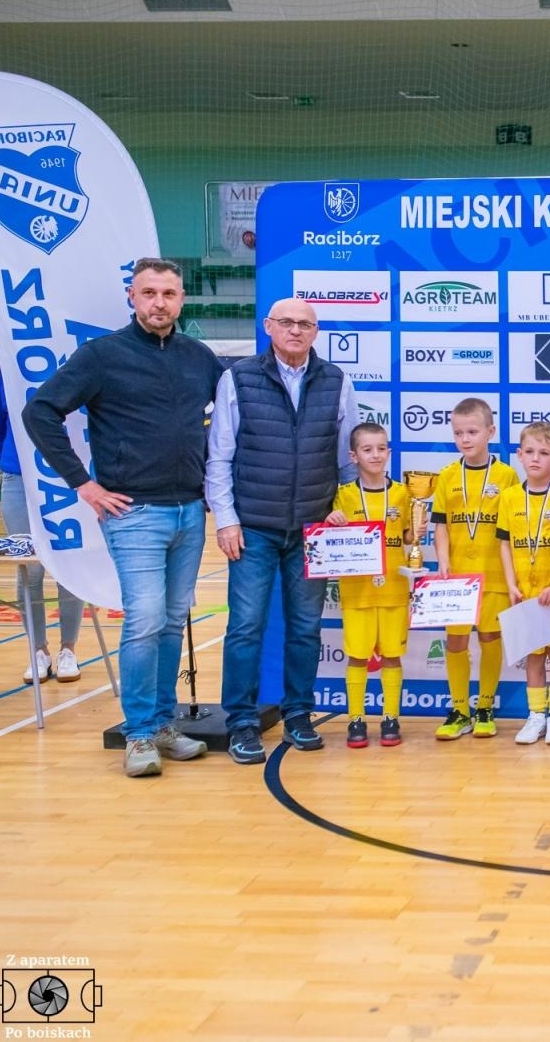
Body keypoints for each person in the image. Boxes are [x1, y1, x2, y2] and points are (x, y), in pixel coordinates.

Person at [23, 256, 224, 778]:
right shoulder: (101, 356)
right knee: (145, 619)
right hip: (133, 513)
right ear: (132, 298)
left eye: (170, 294)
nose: (160, 303)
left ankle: (162, 725)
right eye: (150, 293)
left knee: (169, 623)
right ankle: (138, 734)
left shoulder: (200, 358)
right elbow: (40, 411)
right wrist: (83, 485)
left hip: (189, 512)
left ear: (182, 300)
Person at [207, 297, 357, 764]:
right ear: (269, 326)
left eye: (305, 324)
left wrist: (344, 513)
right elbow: (219, 457)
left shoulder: (337, 381)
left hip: (313, 530)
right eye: (286, 323)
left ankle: (298, 715)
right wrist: (226, 520)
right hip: (253, 528)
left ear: (316, 332)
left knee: (306, 629)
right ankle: (242, 723)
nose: (295, 330)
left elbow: (346, 460)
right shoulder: (238, 379)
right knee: (246, 627)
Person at [430, 397, 520, 741]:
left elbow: (513, 527)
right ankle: (459, 709)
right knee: (455, 641)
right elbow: (439, 524)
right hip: (457, 577)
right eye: (458, 433)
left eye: (472, 431)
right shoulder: (448, 476)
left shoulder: (507, 475)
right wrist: (443, 559)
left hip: (494, 573)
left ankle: (484, 706)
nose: (465, 439)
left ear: (490, 431)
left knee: (489, 637)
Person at [322, 422, 412, 748]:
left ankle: (391, 718)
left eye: (381, 448)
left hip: (393, 590)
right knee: (357, 656)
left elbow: (408, 539)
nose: (375, 455)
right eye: (367, 449)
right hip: (357, 592)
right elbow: (330, 545)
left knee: (392, 656)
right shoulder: (343, 496)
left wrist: (417, 530)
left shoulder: (403, 493)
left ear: (389, 451)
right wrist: (332, 522)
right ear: (353, 455)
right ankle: (356, 719)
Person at [0, 371, 83, 686]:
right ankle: (38, 651)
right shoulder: (5, 374)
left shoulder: (73, 366)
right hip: (18, 478)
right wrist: (14, 462)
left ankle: (68, 650)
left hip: (64, 478)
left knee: (68, 565)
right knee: (28, 570)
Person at [497, 421, 550, 747]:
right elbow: (503, 543)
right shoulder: (508, 498)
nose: (536, 459)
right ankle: (536, 716)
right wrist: (510, 584)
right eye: (529, 452)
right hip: (525, 595)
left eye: (544, 453)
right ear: (519, 455)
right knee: (534, 657)